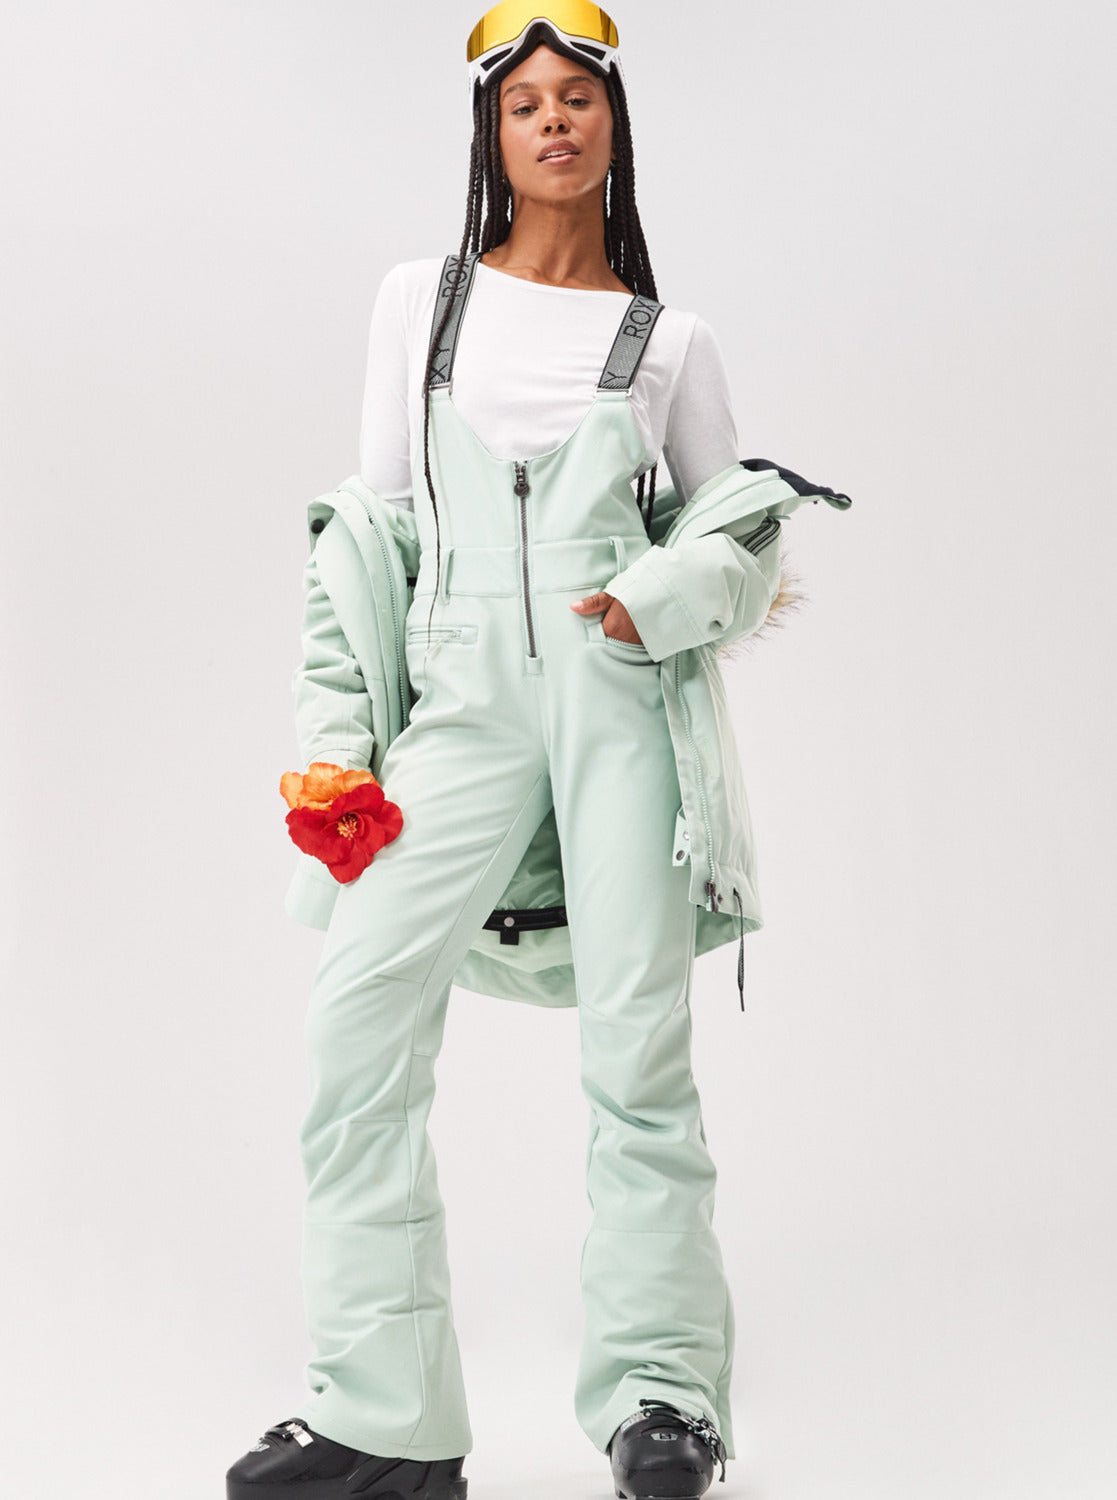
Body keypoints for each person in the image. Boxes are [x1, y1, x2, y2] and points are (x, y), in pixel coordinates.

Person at [227, 5, 848, 1497]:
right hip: (453, 698)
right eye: (526, 104)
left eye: (578, 97)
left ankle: (662, 1399)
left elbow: (741, 548)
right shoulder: (422, 304)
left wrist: (652, 600)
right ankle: (384, 1421)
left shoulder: (666, 341)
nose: (553, 121)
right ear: (491, 134)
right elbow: (364, 542)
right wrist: (336, 744)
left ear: (614, 126)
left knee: (639, 1055)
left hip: (619, 707)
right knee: (357, 1027)